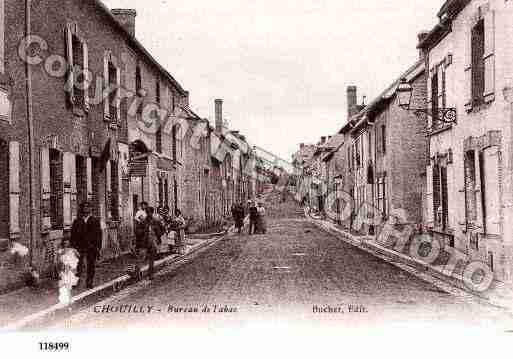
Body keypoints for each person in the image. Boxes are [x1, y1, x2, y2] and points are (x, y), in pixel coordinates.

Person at [71, 201, 102, 289]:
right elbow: (73, 235)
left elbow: (99, 235)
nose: (86, 209)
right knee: (77, 265)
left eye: (88, 207)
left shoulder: (95, 220)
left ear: (90, 209)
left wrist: (98, 247)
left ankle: (89, 282)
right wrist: (73, 247)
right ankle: (75, 281)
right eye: (84, 207)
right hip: (80, 246)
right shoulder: (77, 221)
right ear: (82, 209)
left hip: (91, 247)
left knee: (91, 265)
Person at [143, 207, 164, 280]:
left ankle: (150, 273)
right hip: (145, 241)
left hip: (153, 240)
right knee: (145, 257)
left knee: (151, 258)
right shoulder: (144, 221)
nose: (148, 214)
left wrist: (158, 235)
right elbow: (139, 230)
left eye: (150, 212)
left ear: (152, 212)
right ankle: (146, 272)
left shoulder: (156, 221)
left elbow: (162, 229)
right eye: (147, 212)